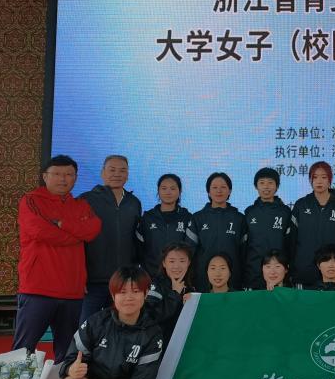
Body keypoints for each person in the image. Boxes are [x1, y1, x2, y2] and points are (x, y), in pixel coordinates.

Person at [13, 155, 102, 363]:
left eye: (69, 174)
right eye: (57, 174)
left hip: (72, 290)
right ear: (45, 176)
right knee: (23, 351)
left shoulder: (81, 205)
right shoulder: (31, 200)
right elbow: (39, 231)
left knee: (68, 353)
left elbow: (92, 230)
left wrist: (62, 224)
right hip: (38, 288)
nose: (63, 179)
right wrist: (76, 234)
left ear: (75, 178)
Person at [78, 155, 142, 323]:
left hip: (123, 282)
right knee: (87, 328)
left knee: (121, 328)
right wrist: (79, 275)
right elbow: (77, 241)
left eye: (122, 170)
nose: (117, 174)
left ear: (127, 175)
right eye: (112, 170)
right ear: (102, 173)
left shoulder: (134, 203)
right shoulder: (86, 200)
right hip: (92, 282)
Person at [290, 161, 335, 287]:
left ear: (329, 180)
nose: (319, 181)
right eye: (315, 177)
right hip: (304, 270)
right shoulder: (301, 204)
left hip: (332, 272)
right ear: (310, 180)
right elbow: (291, 239)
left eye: (323, 177)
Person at [192, 172, 247, 292]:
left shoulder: (239, 219)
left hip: (233, 280)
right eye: (214, 187)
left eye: (223, 187)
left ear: (230, 191)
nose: (219, 191)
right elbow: (190, 251)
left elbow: (244, 252)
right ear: (208, 192)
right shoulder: (197, 218)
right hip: (203, 281)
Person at [136, 173, 198, 275]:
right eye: (164, 188)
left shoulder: (187, 218)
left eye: (173, 188)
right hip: (151, 276)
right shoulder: (147, 218)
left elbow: (191, 249)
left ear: (179, 191)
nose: (168, 192)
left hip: (179, 275)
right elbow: (138, 249)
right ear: (158, 191)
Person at [243, 167, 293, 290]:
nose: (266, 187)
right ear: (256, 186)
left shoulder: (285, 212)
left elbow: (290, 243)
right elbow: (244, 246)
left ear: (277, 186)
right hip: (253, 273)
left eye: (270, 183)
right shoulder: (249, 212)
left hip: (279, 275)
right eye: (262, 183)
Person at [145, 242, 190, 344]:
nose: (177, 266)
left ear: (188, 263)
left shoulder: (192, 287)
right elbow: (151, 317)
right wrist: (174, 294)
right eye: (172, 261)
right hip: (160, 344)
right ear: (164, 263)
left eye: (182, 261)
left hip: (186, 344)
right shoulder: (155, 285)